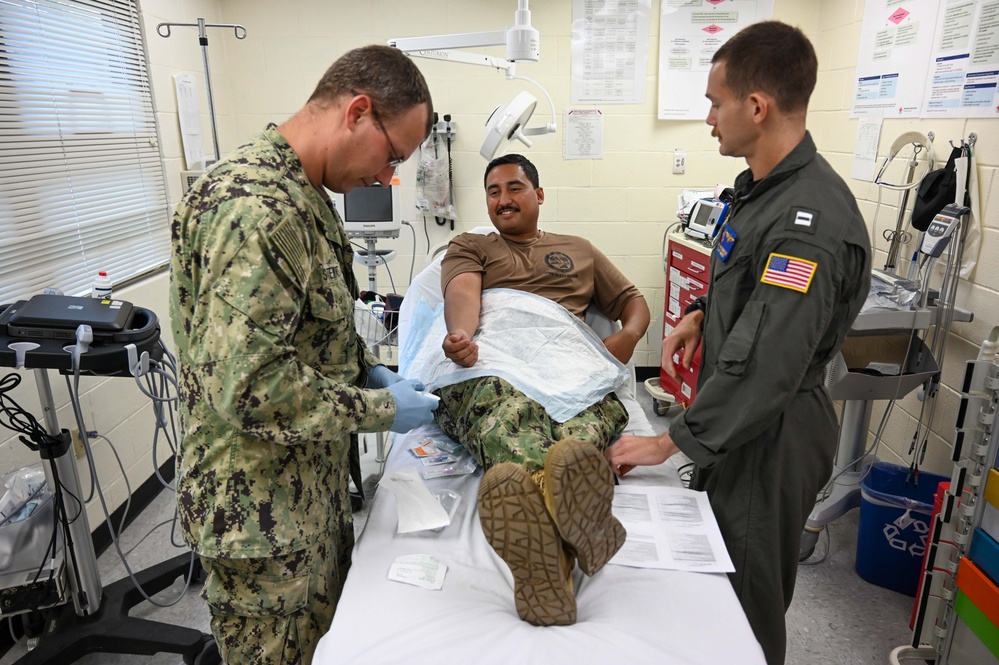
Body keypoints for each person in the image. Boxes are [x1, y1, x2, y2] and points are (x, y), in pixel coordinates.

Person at [605, 21, 871, 665]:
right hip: (742, 423)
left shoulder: (809, 222)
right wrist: (699, 310)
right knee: (714, 581)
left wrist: (667, 442)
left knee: (743, 611)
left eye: (714, 102)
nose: (707, 118)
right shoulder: (763, 191)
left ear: (757, 107)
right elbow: (751, 285)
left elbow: (768, 366)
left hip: (771, 434)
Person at [169, 45, 439, 665]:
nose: (387, 178)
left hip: (304, 499)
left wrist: (361, 365)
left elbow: (297, 334)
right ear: (358, 112)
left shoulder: (304, 198)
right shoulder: (255, 208)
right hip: (260, 521)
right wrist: (376, 406)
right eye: (393, 155)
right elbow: (251, 386)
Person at [436, 153, 651, 627]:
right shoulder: (472, 245)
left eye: (514, 188)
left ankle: (547, 554)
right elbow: (463, 295)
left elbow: (633, 301)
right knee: (502, 413)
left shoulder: (579, 249)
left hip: (570, 363)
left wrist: (627, 337)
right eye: (493, 191)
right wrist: (463, 337)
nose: (502, 199)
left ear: (539, 193)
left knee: (585, 421)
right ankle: (574, 532)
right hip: (497, 362)